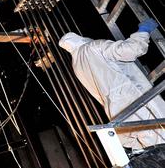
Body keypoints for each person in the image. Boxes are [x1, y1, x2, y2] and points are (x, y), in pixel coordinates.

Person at [58, 18, 165, 152]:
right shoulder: (92, 47)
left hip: (115, 110)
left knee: (152, 147)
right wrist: (143, 32)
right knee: (159, 134)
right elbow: (129, 50)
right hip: (133, 99)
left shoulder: (77, 66)